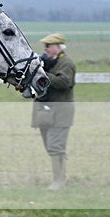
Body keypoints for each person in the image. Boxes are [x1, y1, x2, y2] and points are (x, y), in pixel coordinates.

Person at [31, 33, 76, 190]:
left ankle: (59, 181)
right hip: (46, 112)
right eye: (45, 46)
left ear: (58, 47)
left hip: (61, 112)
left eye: (48, 46)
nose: (46, 49)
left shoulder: (66, 63)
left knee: (56, 146)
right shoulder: (48, 62)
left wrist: (43, 74)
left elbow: (64, 82)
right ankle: (61, 178)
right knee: (51, 147)